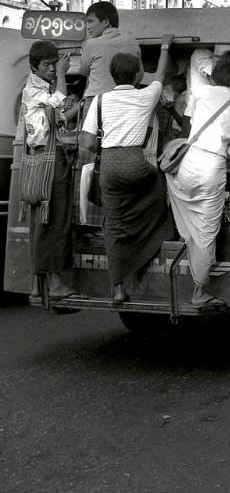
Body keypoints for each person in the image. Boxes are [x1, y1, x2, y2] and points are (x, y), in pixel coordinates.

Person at [79, 36, 175, 303]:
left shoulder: (99, 101)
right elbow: (162, 73)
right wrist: (165, 47)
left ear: (112, 75)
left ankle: (118, 287)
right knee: (157, 196)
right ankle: (150, 247)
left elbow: (87, 143)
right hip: (137, 166)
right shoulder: (146, 95)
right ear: (136, 76)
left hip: (109, 167)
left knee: (115, 226)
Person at [166, 53, 230, 306]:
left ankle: (186, 247)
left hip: (187, 164)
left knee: (190, 222)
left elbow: (189, 124)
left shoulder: (200, 94)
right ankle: (199, 292)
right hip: (212, 168)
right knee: (206, 232)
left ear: (215, 75)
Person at [21, 41, 76, 300]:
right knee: (55, 221)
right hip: (48, 163)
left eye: (55, 64)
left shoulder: (38, 87)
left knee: (43, 222)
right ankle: (54, 284)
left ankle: (37, 285)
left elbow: (56, 116)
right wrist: (64, 74)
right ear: (35, 66)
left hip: (39, 162)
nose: (53, 69)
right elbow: (57, 104)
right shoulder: (34, 89)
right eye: (48, 65)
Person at [78, 1, 142, 103]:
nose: (87, 26)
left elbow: (82, 71)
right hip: (126, 101)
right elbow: (139, 76)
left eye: (90, 21)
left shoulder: (91, 44)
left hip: (97, 101)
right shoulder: (133, 42)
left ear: (106, 22)